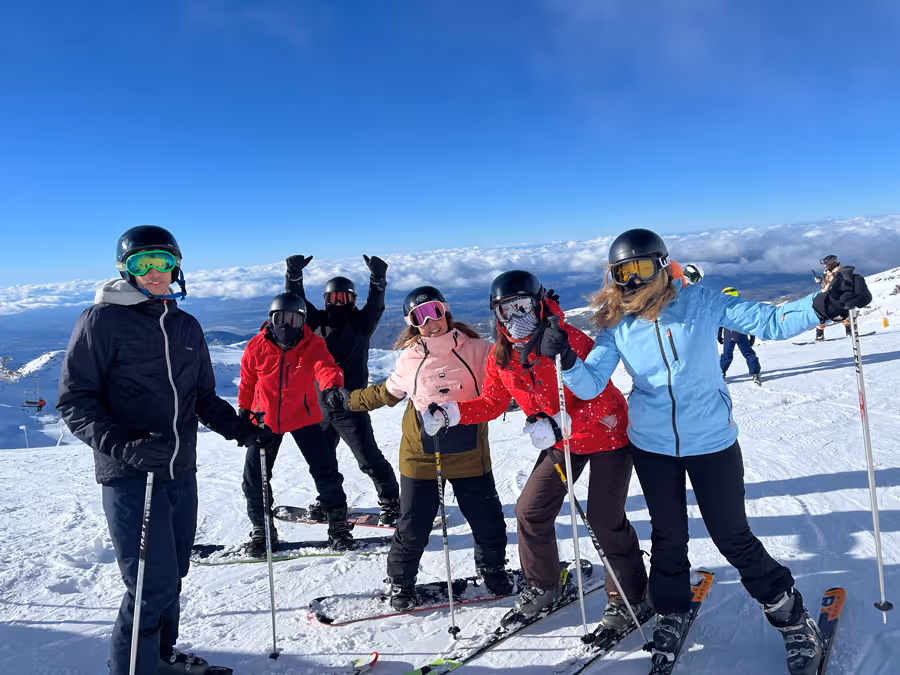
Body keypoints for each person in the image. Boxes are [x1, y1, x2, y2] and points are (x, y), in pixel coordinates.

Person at [539, 228, 871, 675]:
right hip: (652, 446)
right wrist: (566, 360)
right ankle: (671, 608)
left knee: (732, 536)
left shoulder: (701, 302)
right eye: (621, 272)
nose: (631, 280)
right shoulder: (616, 324)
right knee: (668, 536)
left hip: (712, 442)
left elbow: (770, 321)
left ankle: (791, 615)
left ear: (662, 266)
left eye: (640, 268)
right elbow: (591, 383)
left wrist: (823, 304)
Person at [57, 225, 275, 675]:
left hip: (180, 472)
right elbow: (75, 401)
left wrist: (240, 429)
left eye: (164, 261)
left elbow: (202, 397)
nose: (155, 272)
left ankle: (159, 658)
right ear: (126, 270)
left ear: (177, 267)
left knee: (173, 574)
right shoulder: (101, 320)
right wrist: (126, 447)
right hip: (130, 476)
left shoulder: (185, 325)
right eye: (143, 263)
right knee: (148, 585)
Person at [424, 271, 647, 630]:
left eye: (523, 306)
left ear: (539, 304)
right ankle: (544, 585)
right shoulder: (501, 355)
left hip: (607, 436)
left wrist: (561, 422)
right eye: (506, 309)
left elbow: (603, 397)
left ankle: (629, 596)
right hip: (561, 442)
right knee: (530, 511)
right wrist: (451, 413)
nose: (516, 316)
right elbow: (493, 402)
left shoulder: (566, 340)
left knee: (605, 519)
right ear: (496, 314)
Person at [325, 286, 511, 610]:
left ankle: (493, 571)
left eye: (434, 311)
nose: (429, 322)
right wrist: (347, 400)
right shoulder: (410, 358)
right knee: (413, 525)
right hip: (421, 456)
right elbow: (385, 393)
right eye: (419, 317)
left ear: (445, 311)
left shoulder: (480, 350)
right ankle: (401, 583)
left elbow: (511, 377)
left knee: (488, 521)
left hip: (469, 453)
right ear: (412, 323)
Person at [284, 254, 401, 525]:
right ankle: (328, 500)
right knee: (323, 462)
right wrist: (293, 276)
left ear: (352, 300)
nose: (338, 302)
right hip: (320, 407)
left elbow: (376, 305)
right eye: (333, 298)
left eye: (343, 297)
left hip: (351, 405)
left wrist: (378, 279)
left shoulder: (362, 324)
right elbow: (297, 301)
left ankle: (391, 503)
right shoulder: (315, 322)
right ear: (326, 300)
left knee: (368, 458)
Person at [238, 291, 358, 553]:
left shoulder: (312, 343)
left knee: (325, 470)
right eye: (280, 318)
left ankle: (338, 527)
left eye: (293, 319)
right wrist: (244, 411)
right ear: (271, 319)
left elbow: (326, 367)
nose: (286, 325)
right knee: (254, 476)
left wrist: (332, 386)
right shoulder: (256, 346)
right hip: (264, 418)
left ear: (302, 321)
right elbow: (247, 381)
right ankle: (262, 530)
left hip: (304, 416)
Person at [718, 287, 762, 385]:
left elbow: (721, 323)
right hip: (739, 336)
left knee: (727, 356)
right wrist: (752, 336)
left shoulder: (724, 309)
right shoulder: (740, 308)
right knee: (748, 354)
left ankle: (721, 374)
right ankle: (755, 373)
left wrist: (719, 335)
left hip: (733, 336)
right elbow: (749, 323)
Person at [814, 255, 854, 342]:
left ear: (832, 263)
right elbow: (827, 285)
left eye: (826, 264)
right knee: (822, 314)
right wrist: (821, 281)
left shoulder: (842, 271)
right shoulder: (827, 272)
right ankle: (819, 336)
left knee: (844, 314)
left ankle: (851, 333)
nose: (825, 266)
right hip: (829, 296)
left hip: (840, 296)